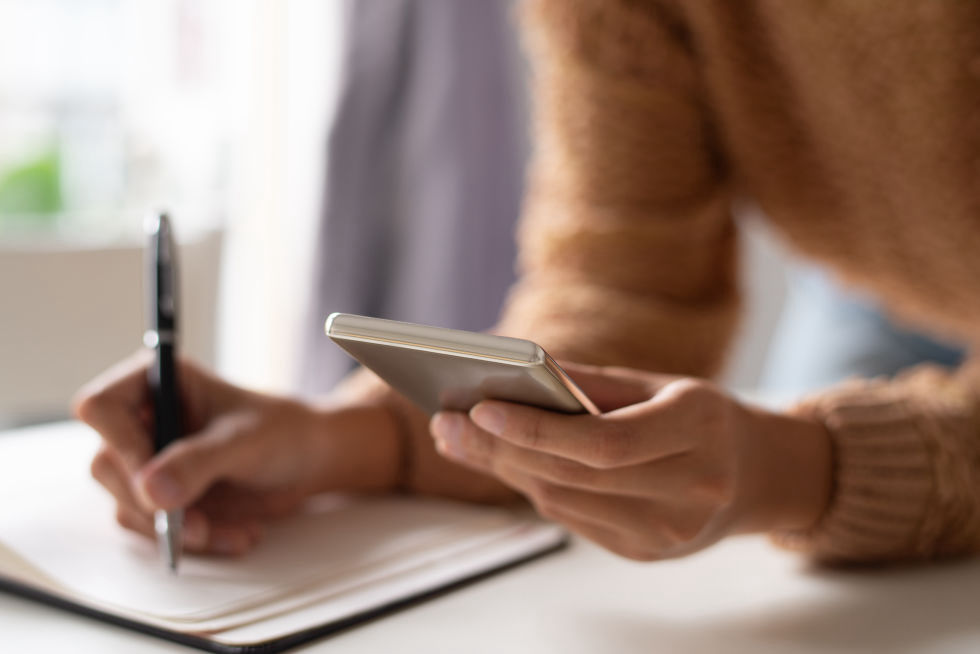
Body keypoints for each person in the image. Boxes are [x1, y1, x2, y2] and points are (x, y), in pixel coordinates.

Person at [75, 0, 980, 564]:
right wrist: (344, 439)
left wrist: (803, 468)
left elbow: (796, 463)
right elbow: (621, 293)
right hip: (886, 277)